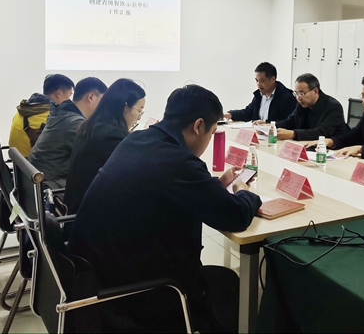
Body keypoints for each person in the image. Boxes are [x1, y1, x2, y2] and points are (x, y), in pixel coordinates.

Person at [67, 84, 261, 332]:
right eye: (212, 132)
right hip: (132, 292)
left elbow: (170, 186)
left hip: (94, 275)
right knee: (227, 284)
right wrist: (245, 192)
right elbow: (235, 216)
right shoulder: (178, 161)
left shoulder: (139, 139)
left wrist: (215, 184)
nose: (210, 139)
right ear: (198, 126)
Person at [64, 79, 146, 215]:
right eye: (139, 111)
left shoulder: (93, 126)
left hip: (78, 207)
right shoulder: (113, 137)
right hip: (92, 215)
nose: (138, 118)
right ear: (125, 106)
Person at [28, 77, 107, 189]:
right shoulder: (75, 123)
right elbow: (98, 155)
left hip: (36, 182)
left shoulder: (61, 113)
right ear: (91, 97)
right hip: (50, 187)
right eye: (103, 101)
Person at [8, 74, 75, 157]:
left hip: (20, 162)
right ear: (59, 93)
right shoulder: (52, 116)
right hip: (33, 163)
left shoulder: (25, 109)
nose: (69, 100)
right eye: (69, 95)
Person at [275, 73, 349, 141]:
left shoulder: (333, 107)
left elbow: (321, 133)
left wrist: (293, 134)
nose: (298, 98)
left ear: (315, 91)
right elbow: (290, 121)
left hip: (331, 148)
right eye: (296, 93)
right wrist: (272, 126)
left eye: (301, 93)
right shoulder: (302, 103)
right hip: (307, 144)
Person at [223, 62, 295, 124]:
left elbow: (288, 122)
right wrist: (231, 114)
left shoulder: (287, 97)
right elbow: (248, 112)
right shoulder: (259, 95)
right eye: (257, 81)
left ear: (273, 79)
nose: (258, 84)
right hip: (258, 133)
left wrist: (267, 124)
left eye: (262, 81)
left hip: (275, 134)